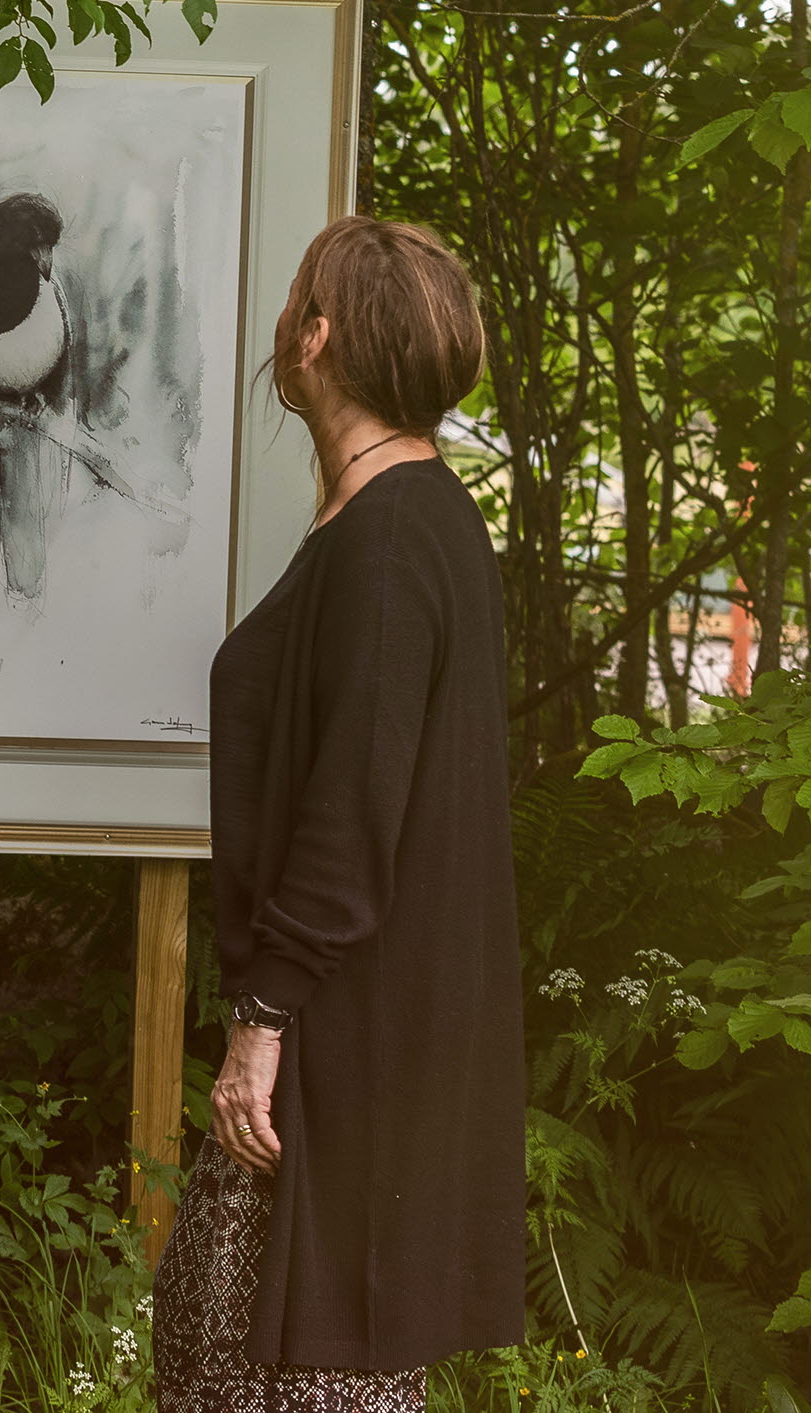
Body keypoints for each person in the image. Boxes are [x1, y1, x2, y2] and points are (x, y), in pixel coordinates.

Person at [153, 216, 524, 1411]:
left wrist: (261, 1018)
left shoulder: (390, 538)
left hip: (339, 1030)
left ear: (313, 338)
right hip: (357, 1012)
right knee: (249, 1355)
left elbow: (355, 804)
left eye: (296, 303)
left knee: (283, 1365)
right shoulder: (398, 519)